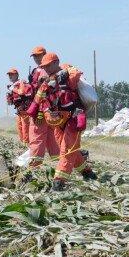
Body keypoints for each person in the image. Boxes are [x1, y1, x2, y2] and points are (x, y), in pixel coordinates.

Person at [34, 52, 97, 190]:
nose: (46, 68)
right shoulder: (46, 81)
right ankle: (87, 172)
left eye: (49, 65)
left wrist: (66, 71)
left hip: (73, 118)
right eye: (44, 66)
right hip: (58, 122)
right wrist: (36, 110)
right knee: (70, 149)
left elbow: (76, 73)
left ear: (56, 62)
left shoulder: (67, 74)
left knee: (67, 150)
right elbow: (40, 98)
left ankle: (59, 182)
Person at [26, 46, 60, 168]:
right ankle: (59, 160)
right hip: (51, 109)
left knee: (36, 134)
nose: (35, 58)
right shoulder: (53, 71)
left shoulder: (43, 71)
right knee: (51, 136)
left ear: (44, 55)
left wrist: (39, 110)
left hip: (41, 108)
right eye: (34, 56)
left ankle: (35, 164)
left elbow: (42, 92)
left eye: (38, 55)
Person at [6, 68, 32, 144]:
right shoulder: (12, 86)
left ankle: (26, 143)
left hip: (25, 108)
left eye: (12, 74)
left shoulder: (21, 82)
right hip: (18, 109)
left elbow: (21, 92)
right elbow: (10, 102)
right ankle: (22, 143)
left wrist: (13, 89)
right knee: (19, 126)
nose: (10, 76)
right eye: (9, 75)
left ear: (17, 75)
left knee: (25, 127)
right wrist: (9, 96)